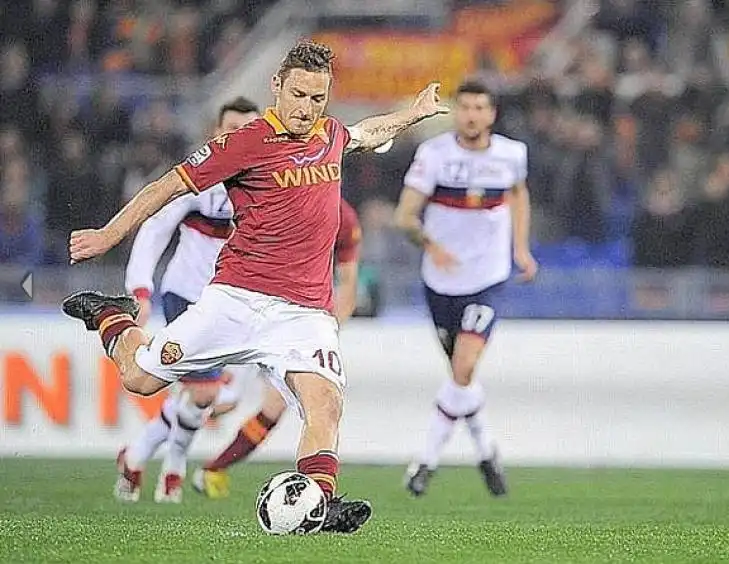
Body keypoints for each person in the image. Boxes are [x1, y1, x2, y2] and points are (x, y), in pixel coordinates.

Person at [62, 40, 447, 534]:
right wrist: (109, 235)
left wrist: (412, 114)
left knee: (324, 405)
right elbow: (167, 187)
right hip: (238, 301)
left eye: (318, 98)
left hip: (305, 313)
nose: (308, 109)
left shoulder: (328, 133)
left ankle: (319, 504)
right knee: (139, 378)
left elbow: (365, 133)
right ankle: (110, 317)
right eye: (299, 95)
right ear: (276, 86)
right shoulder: (243, 142)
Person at [394, 80, 537, 497]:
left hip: (487, 281)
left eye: (480, 107)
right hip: (440, 285)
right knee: (461, 380)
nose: (472, 115)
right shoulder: (434, 155)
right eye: (466, 107)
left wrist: (521, 250)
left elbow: (519, 196)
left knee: (463, 368)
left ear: (492, 114)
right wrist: (432, 246)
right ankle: (487, 451)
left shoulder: (512, 155)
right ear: (456, 112)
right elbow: (404, 217)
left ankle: (424, 463)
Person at [114, 97, 261, 503]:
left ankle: (136, 454)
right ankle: (173, 467)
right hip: (187, 295)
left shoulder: (268, 180)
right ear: (215, 132)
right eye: (229, 127)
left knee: (219, 400)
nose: (236, 135)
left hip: (236, 302)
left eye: (246, 128)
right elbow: (156, 228)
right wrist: (140, 288)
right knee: (202, 394)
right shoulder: (201, 176)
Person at [193, 199, 362, 499]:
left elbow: (349, 285)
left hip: (298, 327)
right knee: (220, 399)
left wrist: (327, 334)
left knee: (277, 408)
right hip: (250, 312)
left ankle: (213, 469)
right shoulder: (280, 196)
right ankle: (176, 443)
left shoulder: (344, 219)